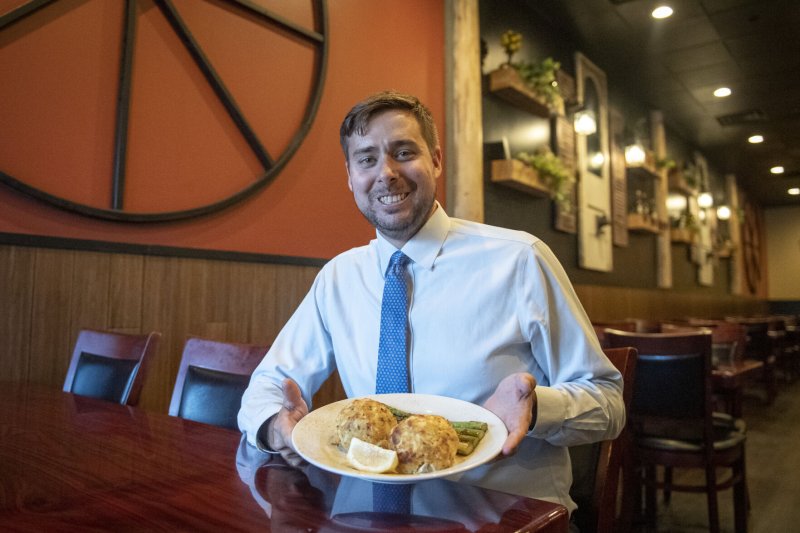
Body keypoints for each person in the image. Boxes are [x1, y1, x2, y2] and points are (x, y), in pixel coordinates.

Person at [239, 90, 624, 514]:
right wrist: (276, 426)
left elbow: (607, 401)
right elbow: (270, 382)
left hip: (504, 517)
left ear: (436, 160)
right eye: (366, 159)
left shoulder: (520, 260)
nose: (385, 173)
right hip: (365, 515)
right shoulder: (339, 278)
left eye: (403, 152)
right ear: (350, 176)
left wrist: (537, 411)